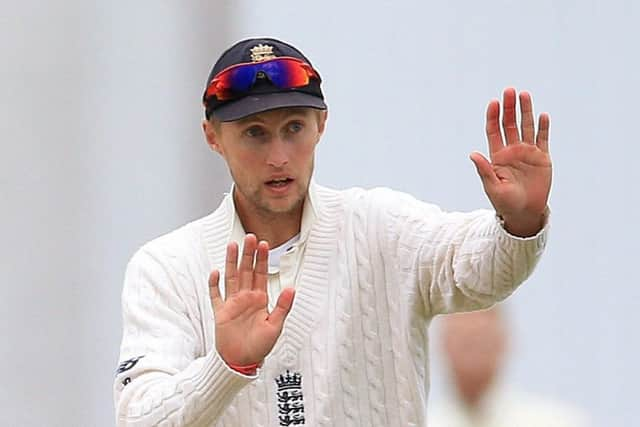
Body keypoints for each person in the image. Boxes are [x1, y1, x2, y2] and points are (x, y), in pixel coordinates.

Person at [113, 37, 552, 426]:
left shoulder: (380, 226)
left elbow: (476, 275)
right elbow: (139, 418)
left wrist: (521, 222)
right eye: (254, 134)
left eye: (294, 128)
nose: (279, 156)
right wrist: (225, 366)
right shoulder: (167, 267)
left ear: (322, 124)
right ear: (212, 136)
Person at [429, 306, 589, 427]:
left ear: (504, 342)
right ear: (441, 344)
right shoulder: (421, 422)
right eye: (464, 342)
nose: (473, 354)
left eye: (481, 340)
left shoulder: (559, 422)